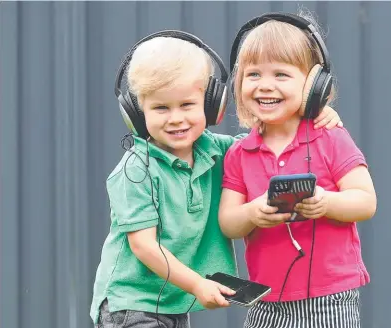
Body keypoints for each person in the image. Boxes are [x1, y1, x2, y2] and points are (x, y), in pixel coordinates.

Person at [90, 30, 344, 328]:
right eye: (160, 108)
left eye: (187, 105)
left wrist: (311, 114)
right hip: (130, 304)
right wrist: (198, 284)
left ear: (212, 106)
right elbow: (144, 246)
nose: (175, 118)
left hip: (172, 301)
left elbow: (267, 145)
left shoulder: (222, 152)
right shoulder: (135, 170)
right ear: (136, 112)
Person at [219, 12, 377, 328]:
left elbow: (365, 201)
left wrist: (327, 202)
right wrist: (253, 213)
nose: (265, 86)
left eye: (281, 75)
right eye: (253, 75)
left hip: (331, 298)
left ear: (314, 84)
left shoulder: (331, 137)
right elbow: (228, 222)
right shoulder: (240, 152)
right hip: (265, 301)